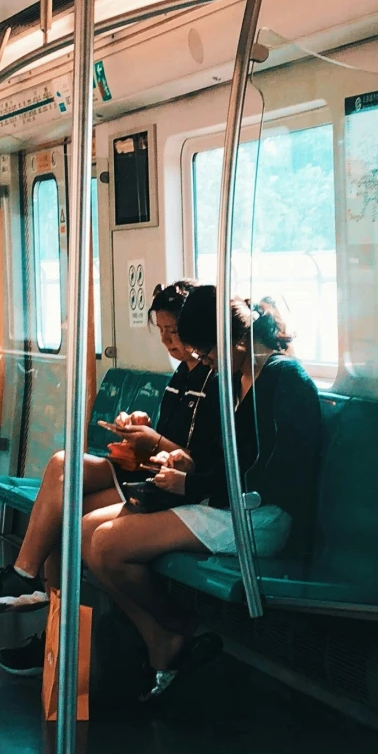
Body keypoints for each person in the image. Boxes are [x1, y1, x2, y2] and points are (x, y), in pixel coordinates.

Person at [78, 289, 323, 700]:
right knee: (88, 532)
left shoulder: (286, 383)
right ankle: (161, 636)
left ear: (237, 343)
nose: (207, 364)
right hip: (226, 504)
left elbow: (277, 479)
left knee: (107, 545)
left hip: (263, 517)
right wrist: (186, 465)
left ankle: (172, 633)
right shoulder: (237, 376)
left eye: (208, 355)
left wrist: (193, 485)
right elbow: (223, 460)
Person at [0, 280, 207, 633]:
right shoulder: (181, 375)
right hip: (145, 468)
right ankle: (43, 609)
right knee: (61, 465)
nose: (168, 341)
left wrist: (153, 441)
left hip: (169, 483)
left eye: (174, 331)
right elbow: (168, 437)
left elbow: (195, 459)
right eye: (161, 332)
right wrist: (140, 426)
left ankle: (48, 618)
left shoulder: (212, 377)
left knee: (63, 510)